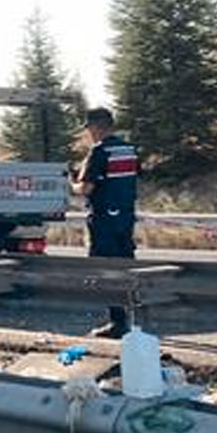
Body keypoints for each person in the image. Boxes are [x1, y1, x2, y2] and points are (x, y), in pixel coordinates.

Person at [72, 107, 138, 338]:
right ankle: (132, 320)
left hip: (103, 221)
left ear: (96, 127)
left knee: (106, 270)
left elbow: (87, 187)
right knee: (126, 268)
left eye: (88, 128)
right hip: (126, 218)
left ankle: (118, 323)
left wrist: (71, 186)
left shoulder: (100, 152)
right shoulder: (128, 150)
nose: (88, 133)